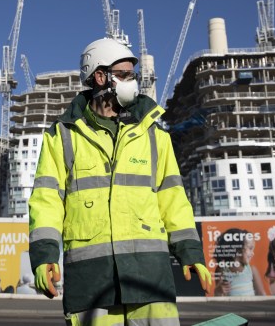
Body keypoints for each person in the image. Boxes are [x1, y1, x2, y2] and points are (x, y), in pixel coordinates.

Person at [28, 37, 211, 325]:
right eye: (123, 75)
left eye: (132, 76)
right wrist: (44, 255)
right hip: (92, 282)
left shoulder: (155, 135)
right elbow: (47, 201)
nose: (132, 82)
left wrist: (190, 252)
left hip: (150, 278)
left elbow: (173, 199)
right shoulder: (63, 136)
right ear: (99, 77)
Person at [212, 229, 265, 296]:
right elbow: (219, 298)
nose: (253, 253)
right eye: (250, 248)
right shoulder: (221, 269)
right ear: (238, 249)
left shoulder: (252, 270)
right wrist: (218, 291)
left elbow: (261, 294)